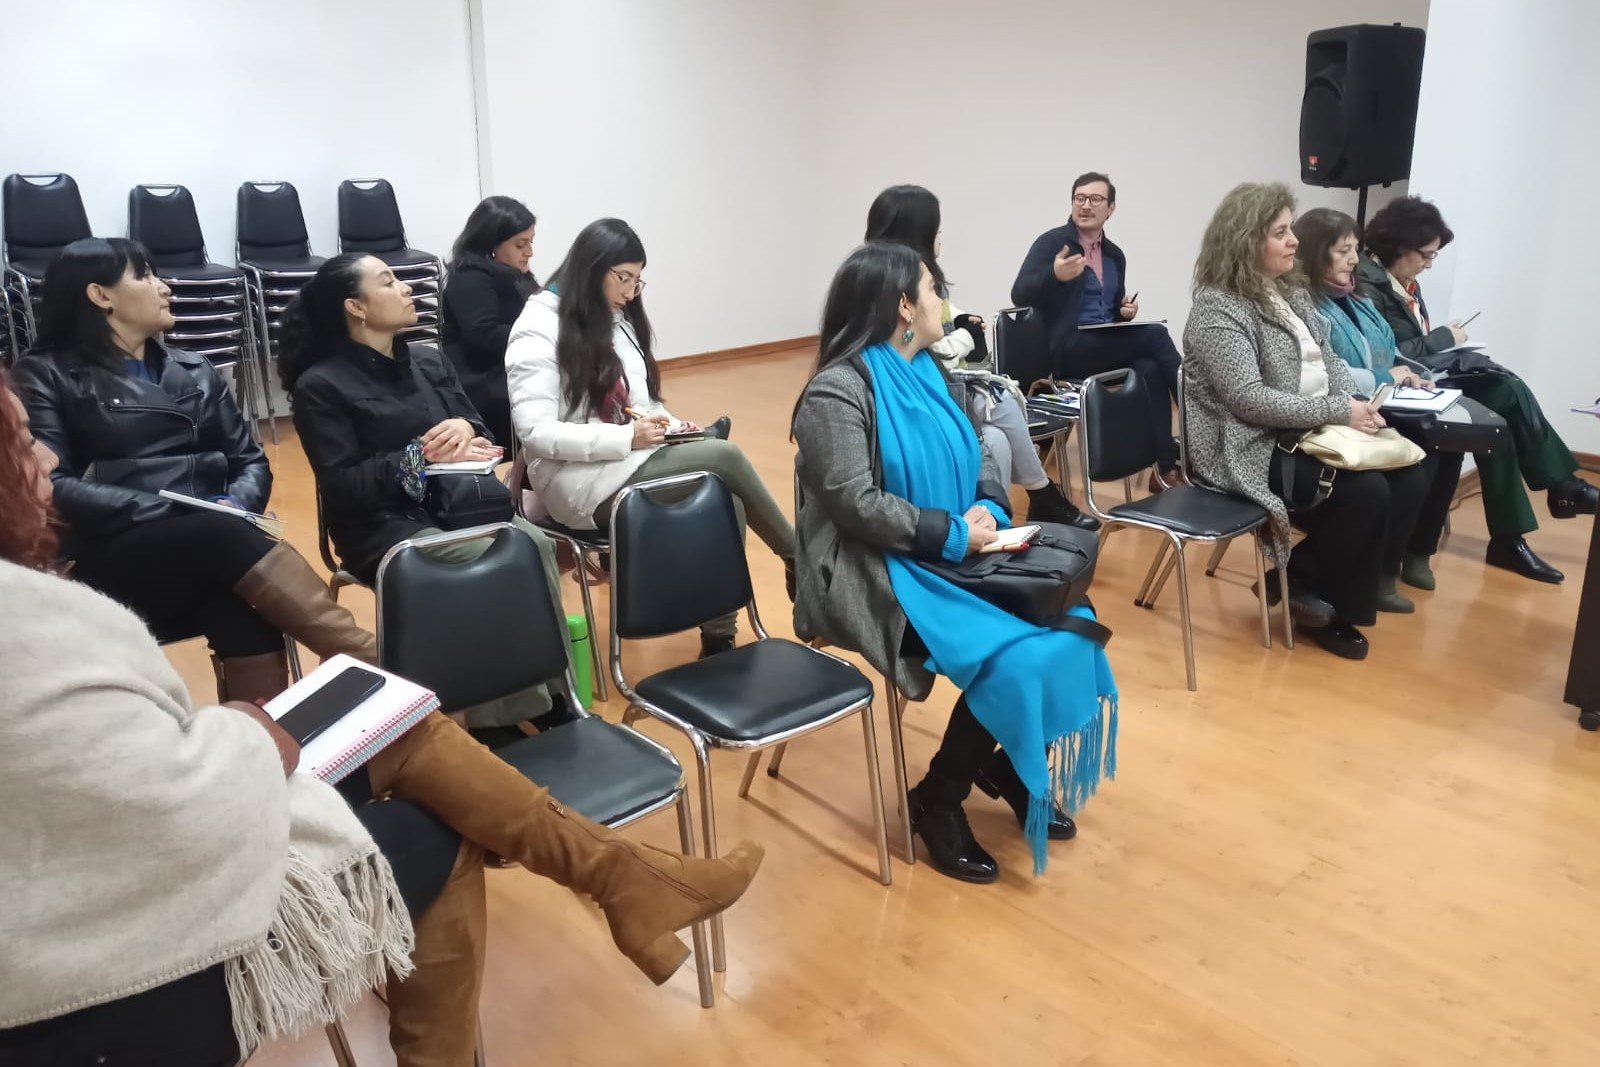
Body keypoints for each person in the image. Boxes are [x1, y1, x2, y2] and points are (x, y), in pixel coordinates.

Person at [0, 371, 764, 1066]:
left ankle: (624, 878)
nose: (46, 457)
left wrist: (461, 435)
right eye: (24, 440)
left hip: (78, 915)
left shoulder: (419, 358)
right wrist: (243, 734)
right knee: (437, 826)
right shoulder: (32, 620)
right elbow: (171, 797)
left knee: (399, 720)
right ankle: (620, 881)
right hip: (115, 974)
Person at [792, 241, 1116, 884]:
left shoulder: (927, 370)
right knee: (1018, 657)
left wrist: (987, 511)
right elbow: (856, 504)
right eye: (932, 289)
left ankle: (1002, 760)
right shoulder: (835, 392)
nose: (943, 300)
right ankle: (938, 798)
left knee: (1073, 622)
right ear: (903, 306)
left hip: (949, 550)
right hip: (873, 569)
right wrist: (951, 534)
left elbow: (982, 454)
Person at [9, 237, 373, 703]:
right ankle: (374, 656)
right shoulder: (45, 374)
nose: (165, 287)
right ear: (101, 296)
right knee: (217, 535)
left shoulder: (194, 368)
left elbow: (249, 459)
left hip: (208, 546)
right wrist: (179, 513)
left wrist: (235, 504)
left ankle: (264, 733)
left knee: (244, 607)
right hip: (105, 556)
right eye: (144, 276)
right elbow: (51, 484)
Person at [282, 252, 574, 741]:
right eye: (388, 282)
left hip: (459, 503)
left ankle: (549, 694)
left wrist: (466, 428)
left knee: (536, 544)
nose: (406, 288)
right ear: (356, 307)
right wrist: (416, 458)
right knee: (480, 560)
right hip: (382, 524)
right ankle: (494, 715)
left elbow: (482, 432)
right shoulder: (322, 386)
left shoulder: (428, 360)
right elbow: (343, 486)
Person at [505, 217, 797, 658]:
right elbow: (536, 434)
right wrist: (626, 439)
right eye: (623, 278)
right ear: (592, 268)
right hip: (575, 482)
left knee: (725, 493)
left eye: (637, 282)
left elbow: (643, 402)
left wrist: (670, 426)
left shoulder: (615, 320)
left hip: (625, 460)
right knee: (725, 458)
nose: (630, 292)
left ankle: (719, 638)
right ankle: (797, 557)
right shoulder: (537, 327)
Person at [1182, 183, 1431, 660]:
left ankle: (1299, 580)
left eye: (1291, 229)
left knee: (1409, 474)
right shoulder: (1218, 308)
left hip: (1304, 430)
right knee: (1365, 492)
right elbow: (1249, 401)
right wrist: (1340, 412)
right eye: (1281, 232)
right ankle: (1329, 608)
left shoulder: (1288, 291)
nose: (1294, 240)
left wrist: (1356, 403)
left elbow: (1329, 360)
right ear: (1246, 240)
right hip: (1247, 445)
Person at [1359, 195, 1596, 584]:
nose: (1430, 264)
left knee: (1505, 390)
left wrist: (1442, 343)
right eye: (1426, 255)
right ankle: (1542, 508)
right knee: (1495, 414)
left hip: (1428, 378)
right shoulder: (1368, 284)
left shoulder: (1403, 281)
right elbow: (1386, 353)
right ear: (1399, 246)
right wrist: (1444, 338)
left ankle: (1545, 505)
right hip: (1396, 389)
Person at [864, 184, 1097, 530]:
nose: (941, 236)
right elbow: (930, 350)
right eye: (936, 228)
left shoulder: (916, 277)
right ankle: (1040, 493)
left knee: (997, 439)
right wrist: (966, 336)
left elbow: (944, 314)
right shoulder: (889, 288)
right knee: (1001, 400)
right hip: (926, 393)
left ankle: (993, 526)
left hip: (943, 384)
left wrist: (961, 320)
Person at [1294, 206, 1463, 603]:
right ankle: (1382, 568)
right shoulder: (1307, 305)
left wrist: (1414, 373)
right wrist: (1387, 376)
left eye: (1355, 249)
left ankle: (1415, 553)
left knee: (1448, 441)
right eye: (1343, 251)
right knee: (1419, 458)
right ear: (1316, 253)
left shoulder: (1359, 297)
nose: (1354, 259)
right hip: (1343, 409)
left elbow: (1389, 349)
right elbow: (1326, 372)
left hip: (1379, 401)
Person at [1011, 172, 1187, 487]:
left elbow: (1110, 317)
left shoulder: (1114, 255)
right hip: (1066, 349)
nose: (1086, 205)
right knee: (1156, 335)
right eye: (1080, 198)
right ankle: (1196, 420)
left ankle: (1164, 468)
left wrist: (1123, 313)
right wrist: (1053, 274)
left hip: (1099, 348)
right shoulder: (1052, 244)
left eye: (1095, 199)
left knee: (1150, 368)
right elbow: (1019, 294)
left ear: (1111, 208)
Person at [442, 195, 540, 447]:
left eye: (530, 242)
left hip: (511, 365)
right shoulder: (468, 277)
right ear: (491, 244)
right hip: (484, 378)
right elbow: (484, 335)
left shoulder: (515, 273)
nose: (529, 252)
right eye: (521, 244)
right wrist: (539, 334)